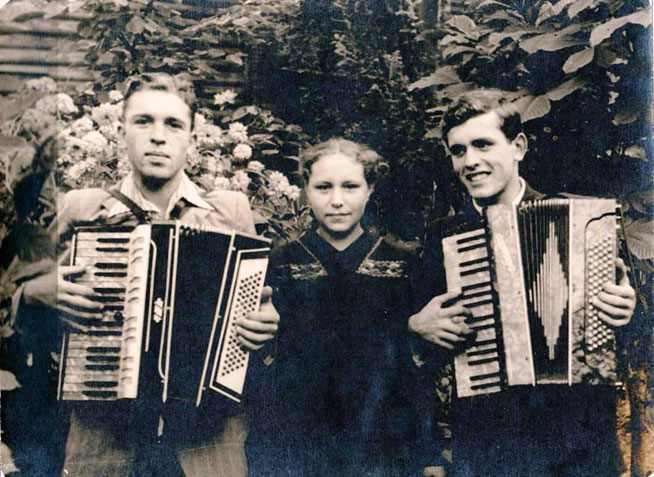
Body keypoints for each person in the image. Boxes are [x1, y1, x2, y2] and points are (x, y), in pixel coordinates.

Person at [12, 72, 279, 476]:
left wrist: (265, 325)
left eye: (173, 124)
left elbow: (259, 315)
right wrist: (35, 293)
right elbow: (16, 301)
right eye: (143, 121)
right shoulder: (82, 208)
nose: (158, 136)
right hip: (103, 440)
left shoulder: (230, 211)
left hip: (208, 442)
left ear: (192, 137)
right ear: (122, 131)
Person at [408, 90, 637, 476]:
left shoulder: (585, 222)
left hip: (580, 442)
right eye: (458, 151)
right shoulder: (442, 237)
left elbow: (634, 334)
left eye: (483, 144)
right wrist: (415, 327)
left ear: (518, 146)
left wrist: (627, 310)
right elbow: (411, 355)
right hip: (489, 446)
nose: (470, 161)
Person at [246, 138, 433, 476]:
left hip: (383, 442)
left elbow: (417, 368)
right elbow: (264, 370)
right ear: (306, 190)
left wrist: (427, 453)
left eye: (350, 186)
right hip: (300, 443)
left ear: (370, 188)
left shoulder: (401, 262)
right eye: (323, 187)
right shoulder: (281, 263)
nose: (336, 200)